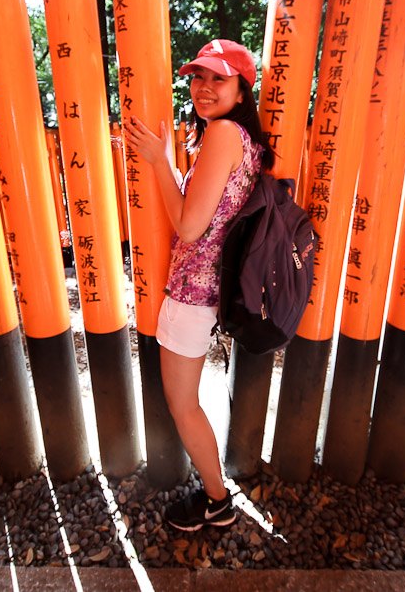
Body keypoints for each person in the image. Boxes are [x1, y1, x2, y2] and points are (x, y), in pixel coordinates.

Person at [123, 39, 276, 532]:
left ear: (241, 89)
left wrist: (158, 161)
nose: (204, 87)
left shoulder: (223, 134)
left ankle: (217, 500)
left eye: (219, 78)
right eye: (199, 76)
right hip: (212, 291)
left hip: (192, 291)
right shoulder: (243, 140)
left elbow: (189, 228)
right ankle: (216, 495)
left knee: (183, 404)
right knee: (185, 401)